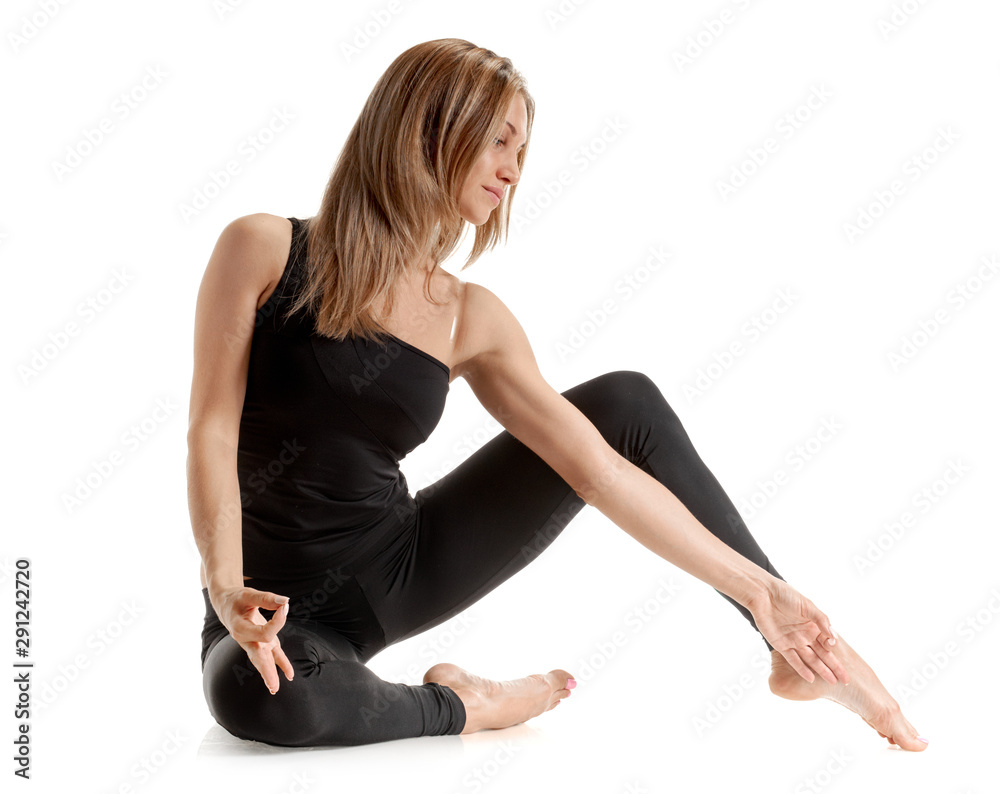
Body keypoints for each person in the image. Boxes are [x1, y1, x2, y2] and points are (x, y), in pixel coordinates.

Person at [187, 38, 928, 749]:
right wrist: (225, 589)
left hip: (398, 569)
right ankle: (467, 705)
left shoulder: (471, 317)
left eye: (522, 152)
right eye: (500, 141)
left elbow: (597, 470)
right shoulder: (263, 250)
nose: (513, 169)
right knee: (265, 697)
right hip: (268, 605)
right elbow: (211, 431)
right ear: (429, 126)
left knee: (625, 405)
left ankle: (791, 647)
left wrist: (763, 594)